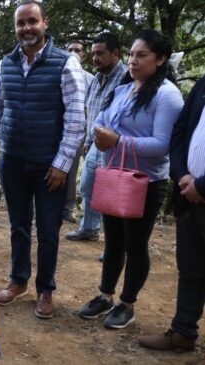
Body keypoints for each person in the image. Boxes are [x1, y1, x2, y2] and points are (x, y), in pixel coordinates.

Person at [78, 29, 184, 329]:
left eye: (142, 55)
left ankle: (127, 303)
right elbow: (101, 119)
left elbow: (163, 145)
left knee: (136, 245)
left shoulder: (167, 95)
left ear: (161, 59)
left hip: (145, 182)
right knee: (113, 242)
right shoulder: (124, 88)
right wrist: (100, 135)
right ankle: (105, 295)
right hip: (113, 176)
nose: (133, 61)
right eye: (132, 54)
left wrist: (117, 141)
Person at [0, 0, 86, 319]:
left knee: (48, 230)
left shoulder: (65, 63)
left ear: (44, 23)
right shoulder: (5, 63)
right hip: (14, 163)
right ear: (15, 28)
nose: (26, 28)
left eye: (32, 21)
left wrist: (62, 164)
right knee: (19, 225)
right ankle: (19, 280)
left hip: (50, 167)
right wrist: (5, 143)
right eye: (21, 23)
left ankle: (45, 289)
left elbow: (76, 118)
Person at [136, 76, 205, 362]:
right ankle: (182, 332)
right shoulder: (203, 85)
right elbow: (179, 135)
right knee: (191, 267)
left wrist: (203, 186)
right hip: (189, 194)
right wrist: (183, 175)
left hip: (198, 190)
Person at [66, 32, 127, 242]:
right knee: (88, 185)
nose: (95, 58)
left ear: (115, 54)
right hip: (95, 144)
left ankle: (117, 244)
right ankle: (90, 228)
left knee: (112, 193)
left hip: (118, 145)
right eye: (93, 54)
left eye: (100, 54)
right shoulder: (97, 78)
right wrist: (89, 141)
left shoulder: (126, 77)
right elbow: (90, 110)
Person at [62, 40, 95, 223]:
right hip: (66, 130)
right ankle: (63, 209)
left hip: (87, 132)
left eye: (77, 50)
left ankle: (82, 214)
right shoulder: (62, 74)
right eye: (70, 49)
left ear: (83, 55)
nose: (73, 52)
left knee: (85, 174)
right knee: (66, 169)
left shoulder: (91, 79)